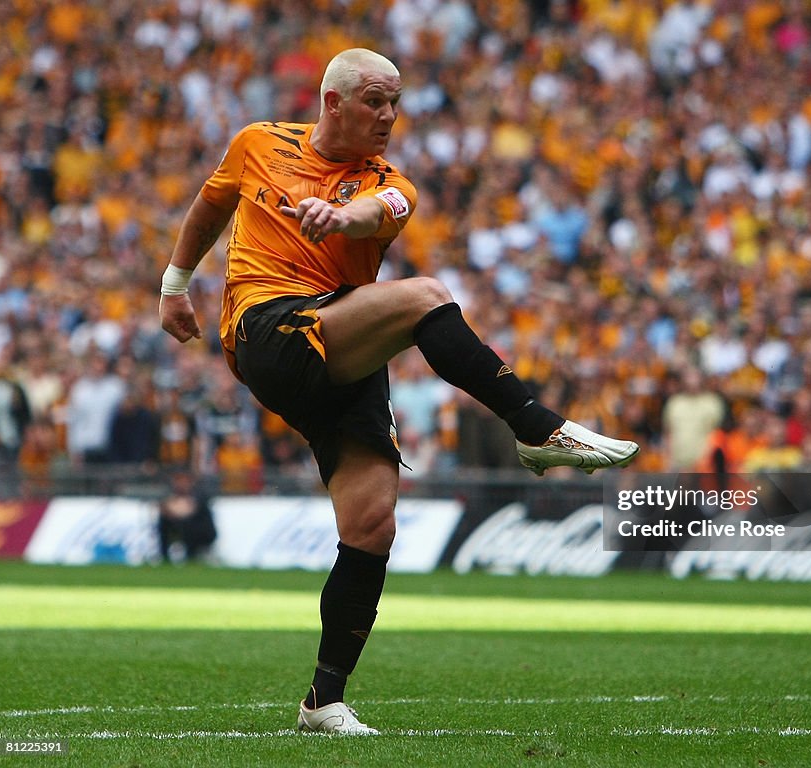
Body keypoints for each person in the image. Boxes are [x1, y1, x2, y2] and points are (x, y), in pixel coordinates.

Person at [159, 48, 638, 736]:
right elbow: (211, 206)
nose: (389, 116)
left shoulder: (392, 183)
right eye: (375, 101)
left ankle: (323, 702)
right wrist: (175, 285)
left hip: (342, 344)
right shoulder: (258, 143)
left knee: (371, 525)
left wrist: (338, 218)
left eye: (396, 103)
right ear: (333, 102)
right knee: (426, 296)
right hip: (267, 328)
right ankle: (536, 427)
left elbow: (374, 213)